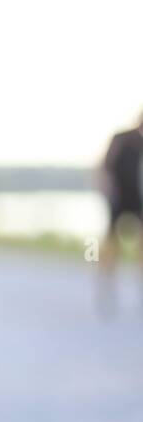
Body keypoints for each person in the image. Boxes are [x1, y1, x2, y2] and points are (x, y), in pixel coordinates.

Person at [95, 112, 143, 316]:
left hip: (138, 199)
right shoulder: (121, 138)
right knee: (111, 244)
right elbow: (103, 168)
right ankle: (106, 286)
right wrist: (106, 189)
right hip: (117, 198)